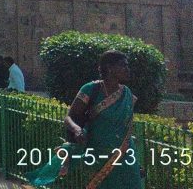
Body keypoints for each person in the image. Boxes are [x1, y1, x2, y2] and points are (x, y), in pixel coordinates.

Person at [26, 50, 143, 188]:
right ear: (110, 68)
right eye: (123, 65)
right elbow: (69, 117)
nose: (127, 69)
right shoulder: (91, 89)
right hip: (97, 154)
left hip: (125, 152)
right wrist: (77, 130)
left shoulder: (127, 93)